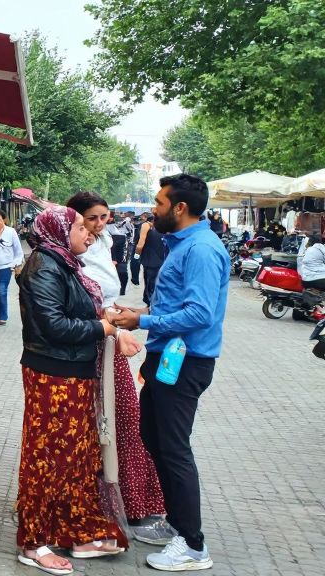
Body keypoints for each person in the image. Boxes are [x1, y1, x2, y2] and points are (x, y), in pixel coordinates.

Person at [109, 174, 228, 571]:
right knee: (153, 437)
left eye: (159, 203)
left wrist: (141, 323)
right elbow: (175, 305)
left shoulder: (202, 250)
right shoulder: (182, 244)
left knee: (174, 448)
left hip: (186, 362)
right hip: (166, 360)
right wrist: (137, 315)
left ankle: (194, 546)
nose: (153, 209)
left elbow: (199, 314)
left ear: (179, 208)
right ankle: (176, 524)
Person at [15, 206, 128, 574]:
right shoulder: (44, 266)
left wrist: (106, 319)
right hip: (53, 375)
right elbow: (54, 326)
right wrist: (103, 329)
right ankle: (33, 542)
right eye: (81, 226)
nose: (89, 232)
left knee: (76, 457)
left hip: (73, 373)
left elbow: (72, 314)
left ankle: (74, 528)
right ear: (61, 231)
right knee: (47, 457)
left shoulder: (63, 263)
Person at [67, 193, 173, 547]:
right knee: (96, 426)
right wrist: (116, 325)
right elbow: (75, 306)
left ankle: (133, 501)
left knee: (125, 420)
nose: (98, 225)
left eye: (103, 217)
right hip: (89, 348)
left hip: (110, 346)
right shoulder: (66, 256)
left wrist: (126, 319)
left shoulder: (102, 244)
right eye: (89, 220)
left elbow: (105, 299)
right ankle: (93, 503)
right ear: (73, 223)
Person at [138, 214, 168, 305]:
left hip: (150, 262)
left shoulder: (150, 232)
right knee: (152, 283)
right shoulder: (165, 232)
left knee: (150, 284)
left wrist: (136, 256)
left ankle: (151, 303)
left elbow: (140, 245)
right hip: (159, 262)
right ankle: (150, 301)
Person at [108, 213, 132, 296]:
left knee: (122, 271)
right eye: (117, 219)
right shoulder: (108, 226)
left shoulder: (127, 224)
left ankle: (123, 289)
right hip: (111, 250)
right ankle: (114, 288)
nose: (119, 221)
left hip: (123, 250)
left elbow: (131, 234)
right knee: (113, 272)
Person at [130, 213, 149, 286]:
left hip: (138, 245)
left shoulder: (142, 225)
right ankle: (136, 279)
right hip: (145, 245)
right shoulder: (147, 225)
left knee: (135, 261)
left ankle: (135, 279)